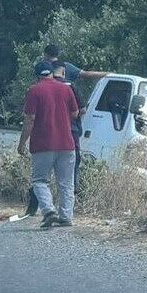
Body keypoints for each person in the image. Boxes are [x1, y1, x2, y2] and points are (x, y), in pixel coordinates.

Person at [18, 60, 79, 228]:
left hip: (42, 144)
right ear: (52, 73)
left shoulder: (34, 91)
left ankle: (49, 211)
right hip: (66, 143)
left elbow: (30, 119)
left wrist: (22, 143)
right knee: (66, 183)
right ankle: (66, 217)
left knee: (39, 181)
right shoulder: (66, 89)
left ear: (37, 76)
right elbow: (75, 113)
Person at [53, 61, 86, 194]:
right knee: (73, 161)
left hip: (51, 130)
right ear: (64, 71)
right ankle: (73, 188)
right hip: (71, 130)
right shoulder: (70, 86)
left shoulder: (43, 86)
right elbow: (82, 110)